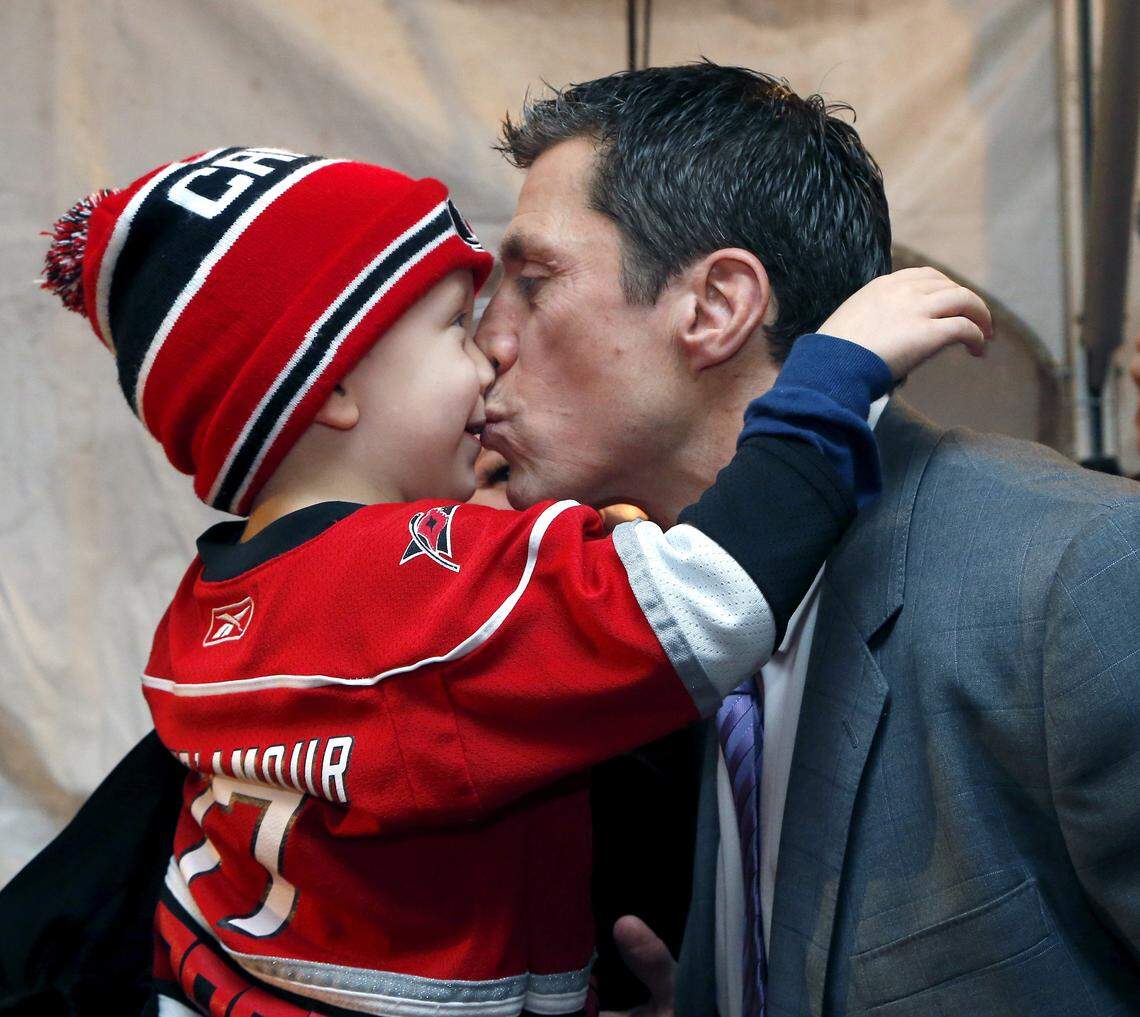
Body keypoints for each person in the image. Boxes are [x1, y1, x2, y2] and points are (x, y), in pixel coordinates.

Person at [27, 145, 982, 1016]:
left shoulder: (216, 600)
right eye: (454, 325)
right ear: (337, 386)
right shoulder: (408, 582)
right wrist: (829, 379)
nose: (489, 349)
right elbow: (700, 602)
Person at [475, 63, 1140, 1015]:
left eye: (533, 284)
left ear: (715, 307)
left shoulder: (1080, 577)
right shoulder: (698, 616)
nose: (487, 343)